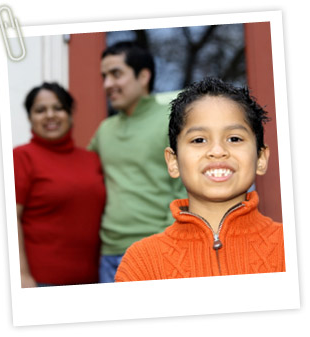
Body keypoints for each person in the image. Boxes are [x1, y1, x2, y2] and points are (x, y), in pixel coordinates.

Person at [115, 77, 285, 282]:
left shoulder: (291, 247)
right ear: (173, 162)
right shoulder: (142, 262)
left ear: (260, 158)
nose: (217, 151)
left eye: (234, 139)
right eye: (199, 140)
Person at [88, 41, 186, 283]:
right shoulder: (104, 130)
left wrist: (165, 241)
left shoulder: (172, 122)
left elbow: (187, 187)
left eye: (116, 74)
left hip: (157, 250)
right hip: (109, 255)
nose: (107, 84)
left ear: (143, 76)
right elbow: (80, 177)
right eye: (104, 76)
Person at [14, 82, 106, 287]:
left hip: (94, 279)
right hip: (41, 282)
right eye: (40, 110)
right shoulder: (21, 157)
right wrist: (21, 275)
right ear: (30, 118)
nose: (50, 115)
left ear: (70, 114)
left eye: (58, 108)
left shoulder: (91, 159)